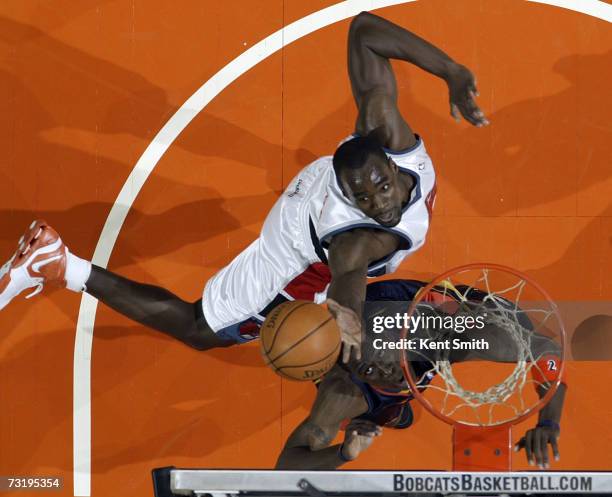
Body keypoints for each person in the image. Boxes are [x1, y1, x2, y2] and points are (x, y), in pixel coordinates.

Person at [0, 12, 488, 361]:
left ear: (385, 152)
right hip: (297, 241)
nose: (380, 204)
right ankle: (59, 262)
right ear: (353, 199)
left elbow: (363, 31)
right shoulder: (356, 240)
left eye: (381, 187)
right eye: (365, 198)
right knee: (201, 330)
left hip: (326, 179)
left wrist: (451, 70)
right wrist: (346, 324)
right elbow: (348, 282)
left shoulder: (388, 132)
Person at [276, 278, 567, 471]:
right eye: (367, 368)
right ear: (354, 373)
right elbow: (284, 468)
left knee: (515, 322)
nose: (381, 367)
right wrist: (344, 454)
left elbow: (545, 349)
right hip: (372, 386)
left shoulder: (442, 337)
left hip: (431, 313)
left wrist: (549, 421)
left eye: (381, 349)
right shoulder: (343, 395)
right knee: (399, 418)